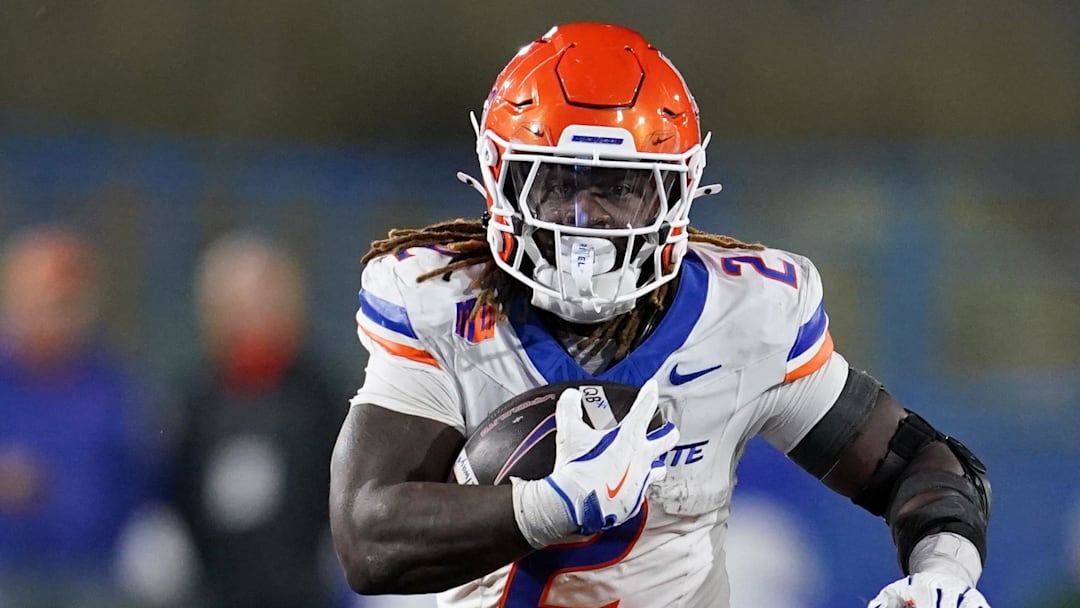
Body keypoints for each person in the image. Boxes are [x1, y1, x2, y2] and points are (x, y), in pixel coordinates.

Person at [330, 23, 992, 608]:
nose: (588, 222)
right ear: (499, 180)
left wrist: (945, 574)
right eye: (559, 186)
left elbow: (919, 463)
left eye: (621, 189)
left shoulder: (749, 314)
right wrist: (550, 507)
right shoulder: (446, 299)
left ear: (679, 190)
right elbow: (367, 538)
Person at [166, 231, 348, 608]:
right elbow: (173, 487)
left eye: (267, 302)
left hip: (302, 592)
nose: (254, 318)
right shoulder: (193, 399)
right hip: (212, 589)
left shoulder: (323, 398)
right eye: (240, 305)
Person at [0, 225, 158, 608]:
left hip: (94, 574)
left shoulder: (112, 385)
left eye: (67, 302)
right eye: (43, 301)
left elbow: (143, 477)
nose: (56, 316)